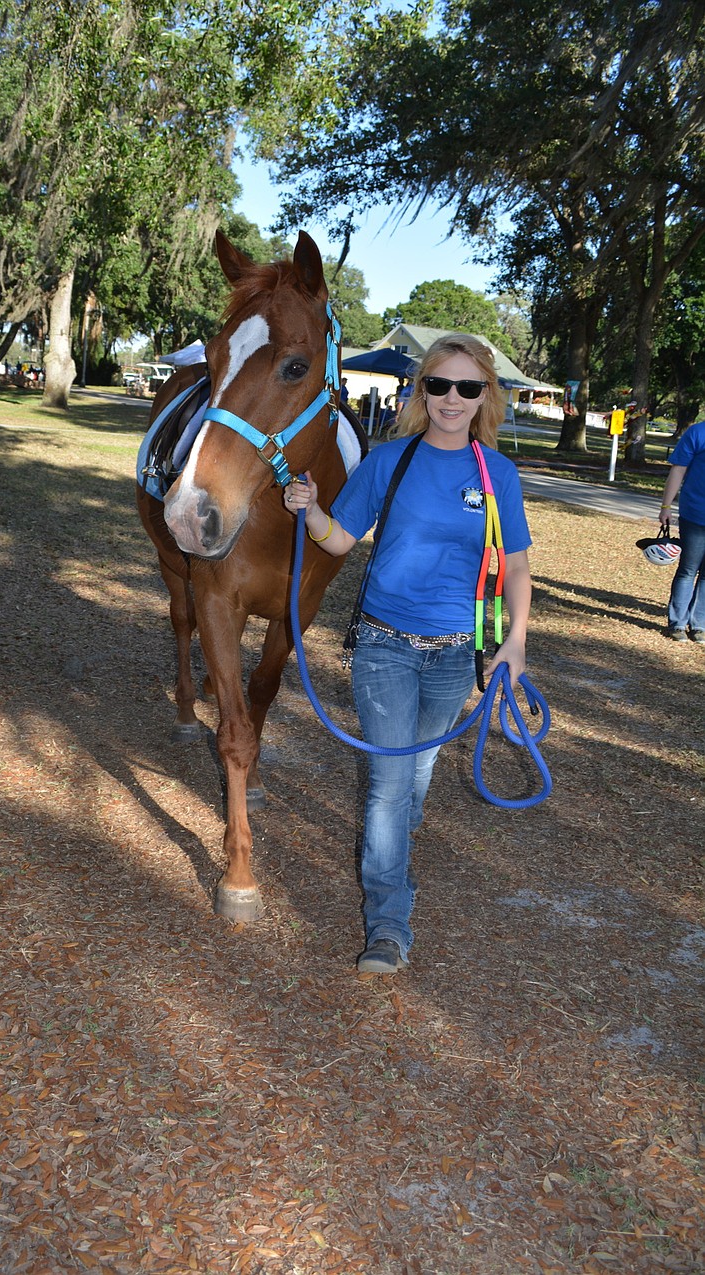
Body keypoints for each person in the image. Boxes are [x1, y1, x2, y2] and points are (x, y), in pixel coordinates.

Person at [284, 334, 533, 975]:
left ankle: (397, 832)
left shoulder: (495, 474)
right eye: (440, 385)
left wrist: (515, 643)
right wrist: (310, 512)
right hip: (384, 646)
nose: (453, 399)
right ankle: (389, 924)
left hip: (457, 654)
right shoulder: (389, 461)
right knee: (390, 787)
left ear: (485, 397)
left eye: (468, 387)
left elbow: (516, 569)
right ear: (421, 391)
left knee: (418, 765)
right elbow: (339, 542)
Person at [659, 418, 705, 642]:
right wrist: (666, 506)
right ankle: (677, 624)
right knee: (688, 569)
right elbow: (678, 470)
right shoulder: (697, 432)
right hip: (695, 513)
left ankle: (699, 625)